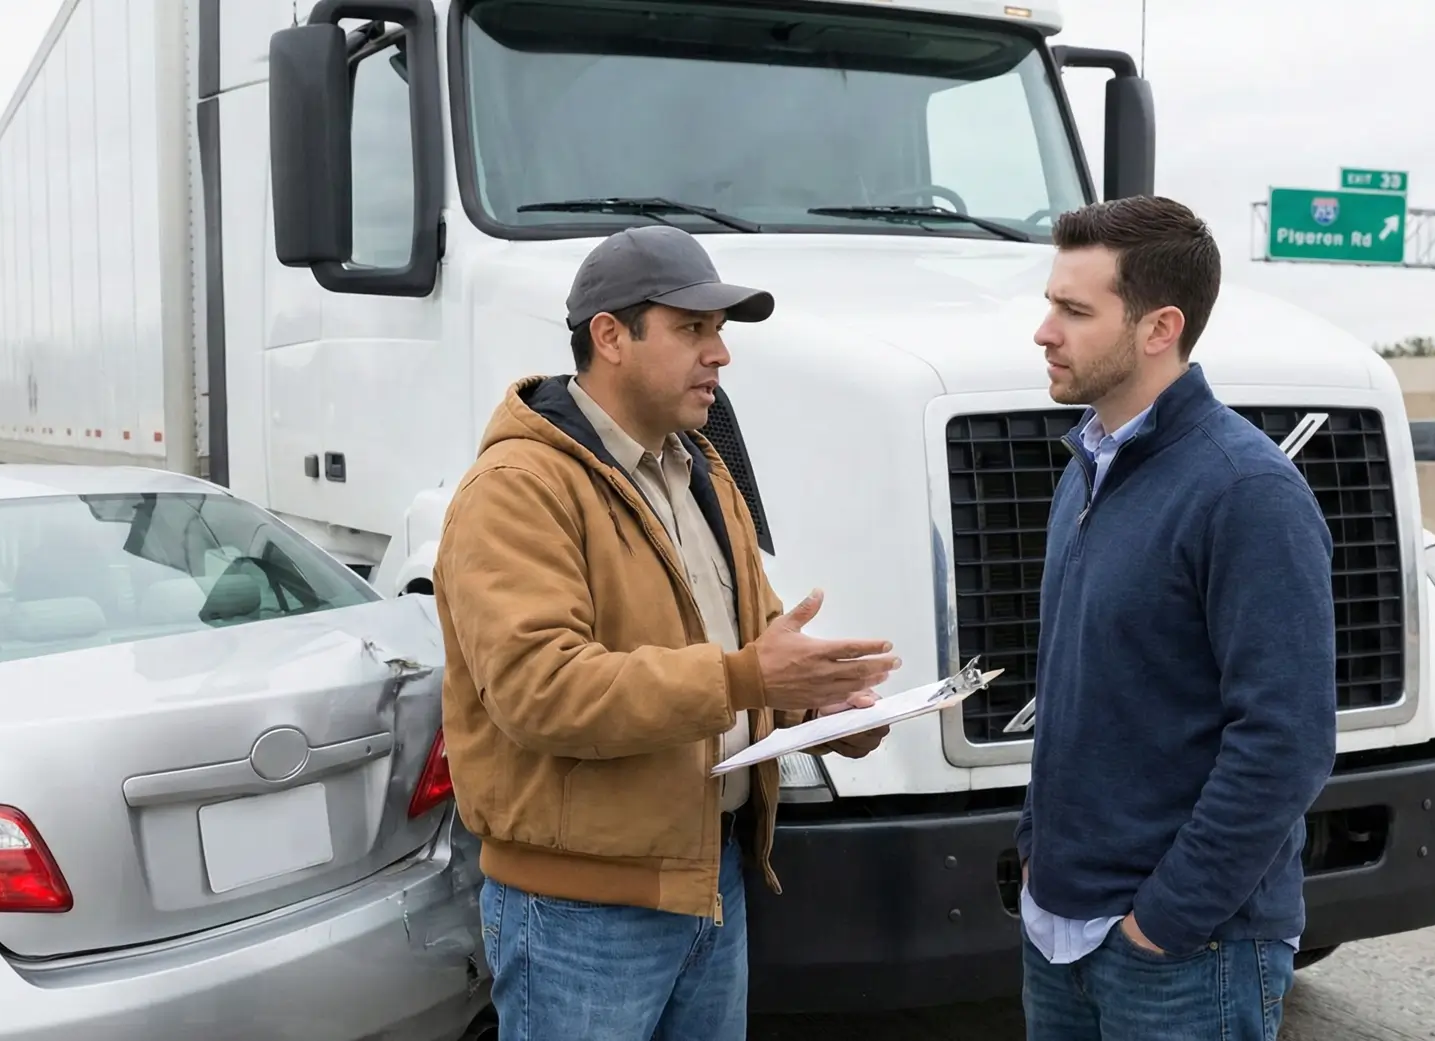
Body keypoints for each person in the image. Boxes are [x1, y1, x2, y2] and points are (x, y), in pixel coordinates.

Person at [433, 224, 901, 1041]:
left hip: (705, 889)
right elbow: (542, 691)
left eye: (719, 332)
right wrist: (750, 681)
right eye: (692, 329)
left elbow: (748, 651)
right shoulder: (515, 489)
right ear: (609, 336)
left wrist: (822, 714)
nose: (719, 354)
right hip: (578, 914)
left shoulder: (702, 470)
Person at [1015, 196, 1338, 1040]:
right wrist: (1035, 852)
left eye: (1074, 310)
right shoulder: (1086, 468)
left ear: (1160, 328)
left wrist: (1164, 920)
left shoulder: (1246, 491)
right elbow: (1077, 682)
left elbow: (1285, 739)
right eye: (1051, 302)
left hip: (1183, 957)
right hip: (1058, 933)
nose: (1044, 330)